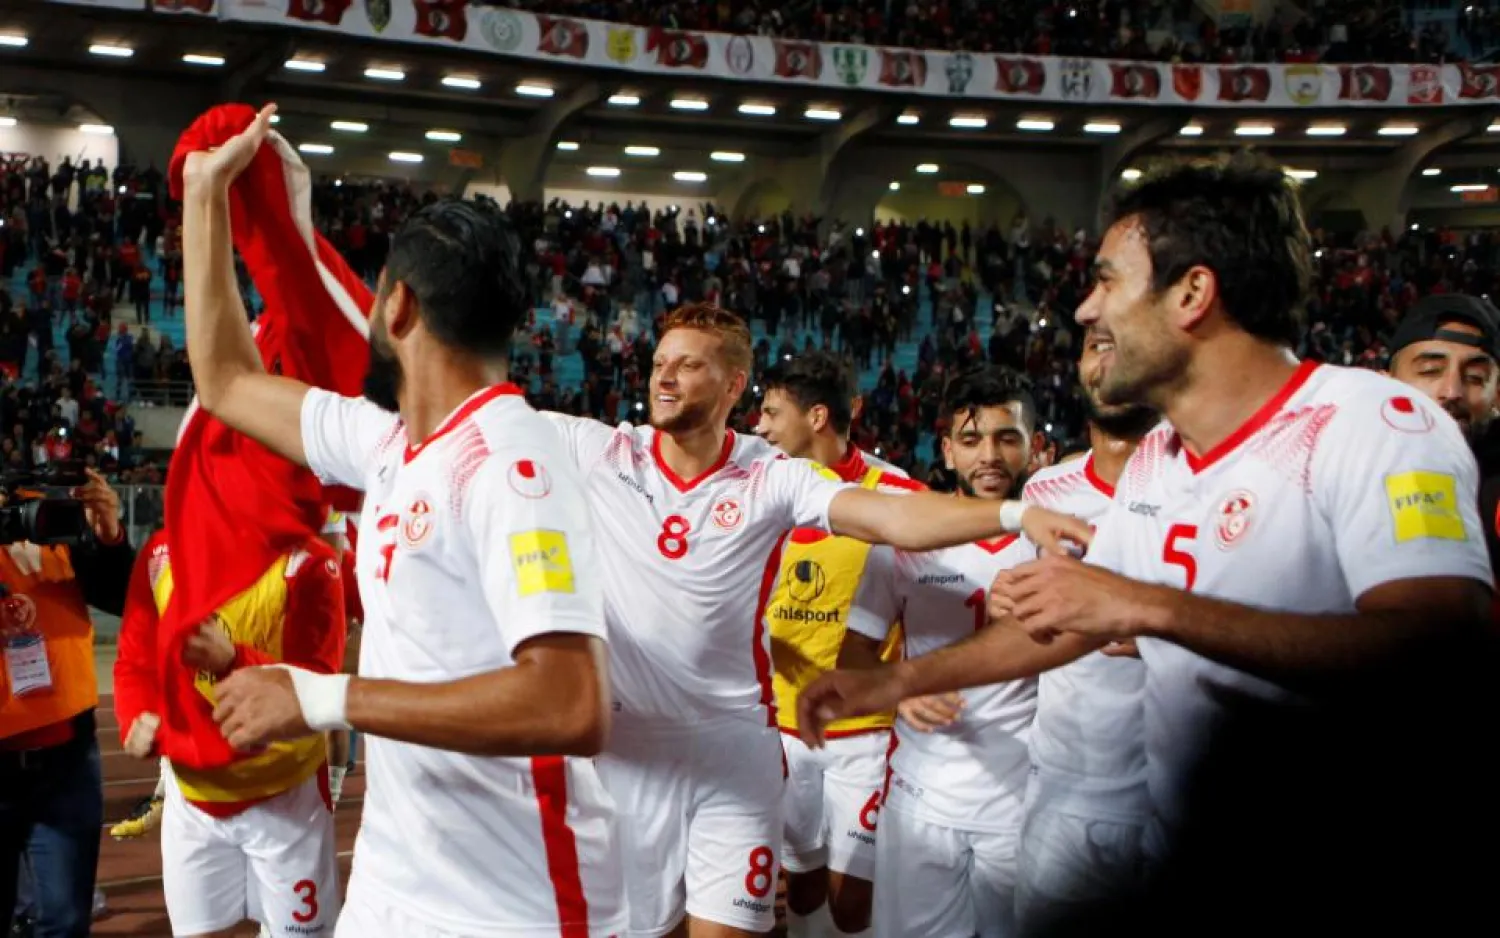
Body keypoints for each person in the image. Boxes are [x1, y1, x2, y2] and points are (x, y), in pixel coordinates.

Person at [799, 151, 1497, 935]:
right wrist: (893, 683)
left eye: (1108, 281)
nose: (1087, 310)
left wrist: (1149, 607)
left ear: (1192, 294)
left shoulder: (1371, 422)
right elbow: (1070, 619)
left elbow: (1442, 644)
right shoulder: (1164, 458)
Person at [178, 104, 626, 936]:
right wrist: (205, 195)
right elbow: (228, 383)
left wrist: (320, 696)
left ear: (397, 308)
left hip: (514, 903)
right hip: (395, 883)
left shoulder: (511, 463)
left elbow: (571, 704)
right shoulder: (391, 446)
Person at [541, 303, 1088, 938]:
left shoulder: (769, 475)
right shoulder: (598, 449)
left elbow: (891, 518)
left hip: (735, 752)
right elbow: (471, 417)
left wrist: (1013, 517)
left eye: (688, 365)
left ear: (732, 383)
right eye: (661, 363)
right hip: (628, 751)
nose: (665, 377)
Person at [838, 369, 1041, 938]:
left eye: (1007, 437)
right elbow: (852, 662)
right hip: (920, 800)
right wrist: (900, 687)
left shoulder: (1054, 543)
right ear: (947, 451)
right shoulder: (904, 542)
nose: (990, 456)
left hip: (1023, 803)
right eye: (972, 441)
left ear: (1035, 445)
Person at [113, 523, 346, 937]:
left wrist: (233, 660)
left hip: (285, 798)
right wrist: (134, 715)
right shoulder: (160, 553)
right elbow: (136, 659)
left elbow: (318, 683)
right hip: (194, 798)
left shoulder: (308, 561)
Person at [753, 352, 907, 938]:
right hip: (782, 728)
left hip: (862, 735)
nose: (760, 426)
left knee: (852, 905)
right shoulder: (760, 491)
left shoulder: (894, 495)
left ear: (817, 416)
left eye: (771, 413)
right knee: (800, 887)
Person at [1009, 326, 1156, 937]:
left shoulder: (1210, 486)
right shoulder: (1047, 491)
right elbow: (1026, 615)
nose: (1111, 359)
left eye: (1128, 343)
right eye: (1098, 345)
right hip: (1061, 783)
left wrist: (1155, 631)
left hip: (1168, 789)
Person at [0, 469, 135, 938]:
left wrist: (109, 535)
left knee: (65, 921)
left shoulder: (39, 511)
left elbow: (122, 597)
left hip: (65, 755)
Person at [1384, 293, 1500, 585]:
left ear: (1497, 395)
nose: (1452, 391)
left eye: (1475, 377)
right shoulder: (1331, 473)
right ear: (1384, 385)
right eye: (1430, 371)